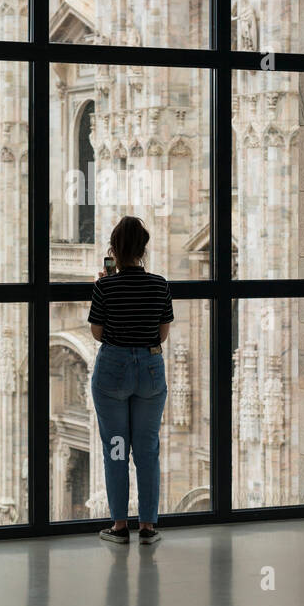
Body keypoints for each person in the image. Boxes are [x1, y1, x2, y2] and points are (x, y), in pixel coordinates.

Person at [88, 216, 173, 544]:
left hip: (114, 369)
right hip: (150, 370)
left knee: (117, 448)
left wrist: (106, 290)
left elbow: (97, 333)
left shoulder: (104, 286)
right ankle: (148, 527)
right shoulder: (160, 284)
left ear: (114, 250)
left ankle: (120, 526)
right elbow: (162, 333)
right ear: (143, 250)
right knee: (148, 449)